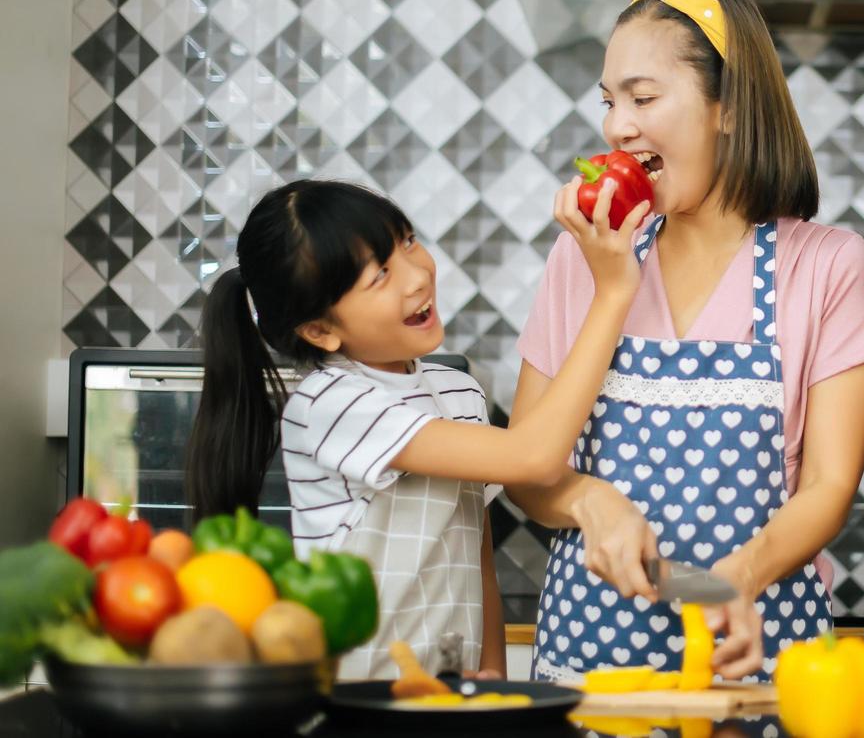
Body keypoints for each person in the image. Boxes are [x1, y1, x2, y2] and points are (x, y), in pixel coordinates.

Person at [507, 0, 864, 683]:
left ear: (728, 107)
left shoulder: (828, 267)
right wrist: (589, 500)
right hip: (589, 668)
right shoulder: (585, 255)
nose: (617, 126)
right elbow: (526, 471)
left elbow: (829, 489)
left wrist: (735, 579)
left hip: (760, 660)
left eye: (643, 97)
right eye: (609, 101)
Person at [185, 177, 651, 679]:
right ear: (320, 330)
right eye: (380, 275)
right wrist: (613, 292)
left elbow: (476, 559)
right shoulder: (329, 404)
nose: (416, 276)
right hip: (361, 695)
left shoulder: (458, 391)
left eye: (406, 241)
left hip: (449, 694)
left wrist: (493, 682)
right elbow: (534, 458)